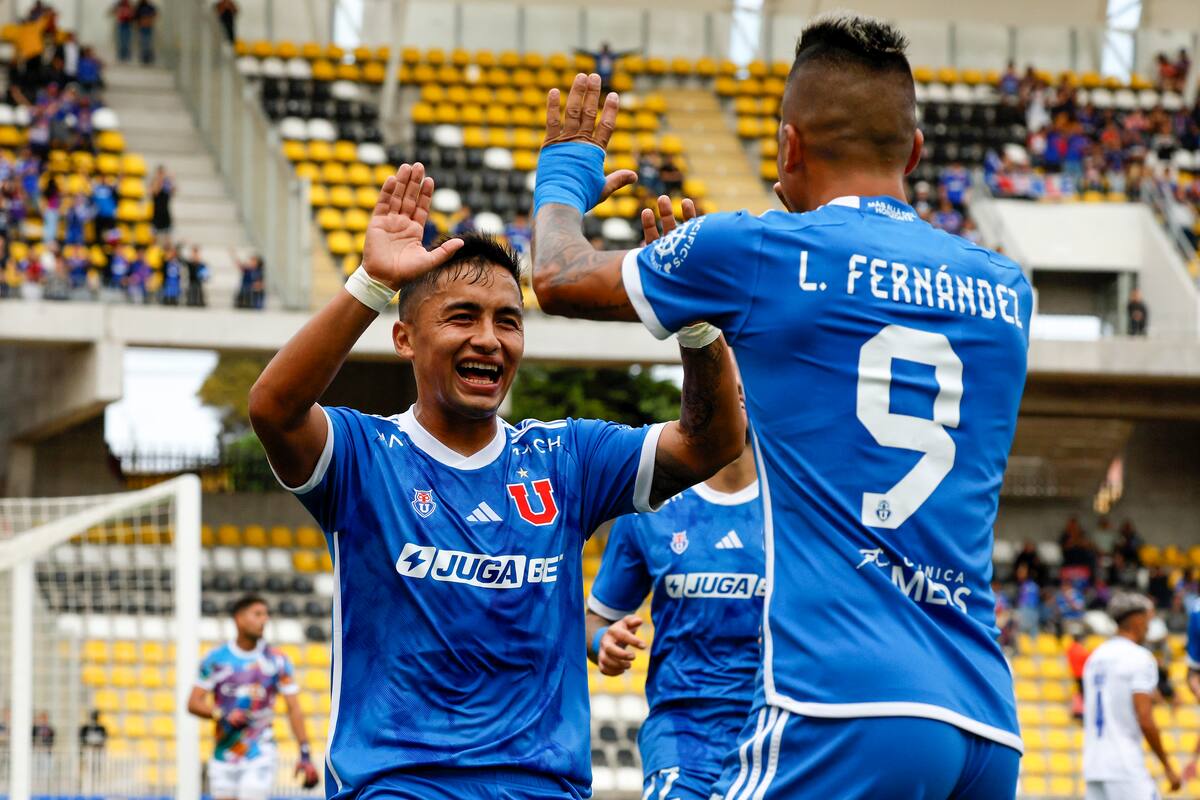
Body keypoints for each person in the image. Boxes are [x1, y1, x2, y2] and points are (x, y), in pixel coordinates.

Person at [531, 13, 1031, 797]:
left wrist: (564, 176)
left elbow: (558, 276)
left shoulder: (758, 252)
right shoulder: (1006, 290)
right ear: (916, 152)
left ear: (789, 146)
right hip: (985, 718)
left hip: (842, 704)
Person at [246, 163, 743, 797]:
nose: (489, 339)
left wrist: (698, 328)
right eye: (462, 317)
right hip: (400, 785)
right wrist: (370, 283)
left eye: (508, 321)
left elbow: (711, 443)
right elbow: (272, 409)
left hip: (543, 786)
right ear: (404, 337)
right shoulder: (365, 456)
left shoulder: (568, 458)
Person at [586, 370, 761, 800]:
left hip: (774, 734)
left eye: (747, 387)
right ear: (698, 394)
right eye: (724, 386)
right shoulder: (651, 510)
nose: (736, 398)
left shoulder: (801, 510)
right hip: (682, 737)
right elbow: (592, 623)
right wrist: (602, 642)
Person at [187, 595, 319, 800]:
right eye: (257, 614)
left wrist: (305, 752)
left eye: (266, 615)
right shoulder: (216, 660)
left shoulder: (277, 660)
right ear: (239, 619)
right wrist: (221, 714)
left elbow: (294, 708)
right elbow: (193, 703)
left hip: (260, 752)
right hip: (224, 754)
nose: (264, 620)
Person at [1082, 592, 1181, 797]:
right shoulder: (1140, 657)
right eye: (1148, 619)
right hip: (1124, 767)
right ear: (1136, 619)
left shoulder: (1094, 659)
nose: (1148, 626)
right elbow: (1145, 719)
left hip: (1093, 767)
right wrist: (1167, 766)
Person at [150, 165, 174, 243]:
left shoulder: (167, 183)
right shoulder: (154, 182)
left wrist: (171, 180)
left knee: (168, 236)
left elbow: (173, 191)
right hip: (156, 213)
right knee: (155, 237)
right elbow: (155, 192)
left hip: (165, 212)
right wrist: (160, 180)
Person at [134, 0, 158, 65]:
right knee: (143, 42)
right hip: (142, 28)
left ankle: (148, 57)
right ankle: (144, 58)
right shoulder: (139, 7)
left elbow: (155, 14)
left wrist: (150, 20)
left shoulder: (150, 7)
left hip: (148, 27)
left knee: (148, 42)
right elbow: (135, 17)